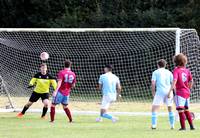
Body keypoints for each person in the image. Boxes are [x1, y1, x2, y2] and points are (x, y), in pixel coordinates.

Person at [168, 53, 194, 131]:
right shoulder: (187, 70)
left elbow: (175, 80)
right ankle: (192, 126)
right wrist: (189, 89)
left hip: (180, 93)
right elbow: (191, 81)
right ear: (184, 61)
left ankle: (183, 127)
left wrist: (170, 91)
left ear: (175, 61)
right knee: (186, 110)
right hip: (187, 93)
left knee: (180, 110)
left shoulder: (176, 70)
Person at [151, 59, 175, 129]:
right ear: (165, 65)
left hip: (160, 92)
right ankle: (172, 125)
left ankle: (154, 125)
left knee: (154, 109)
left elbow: (153, 83)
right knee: (170, 108)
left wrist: (153, 92)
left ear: (158, 65)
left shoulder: (155, 72)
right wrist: (172, 92)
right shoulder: (169, 72)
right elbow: (173, 83)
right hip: (168, 91)